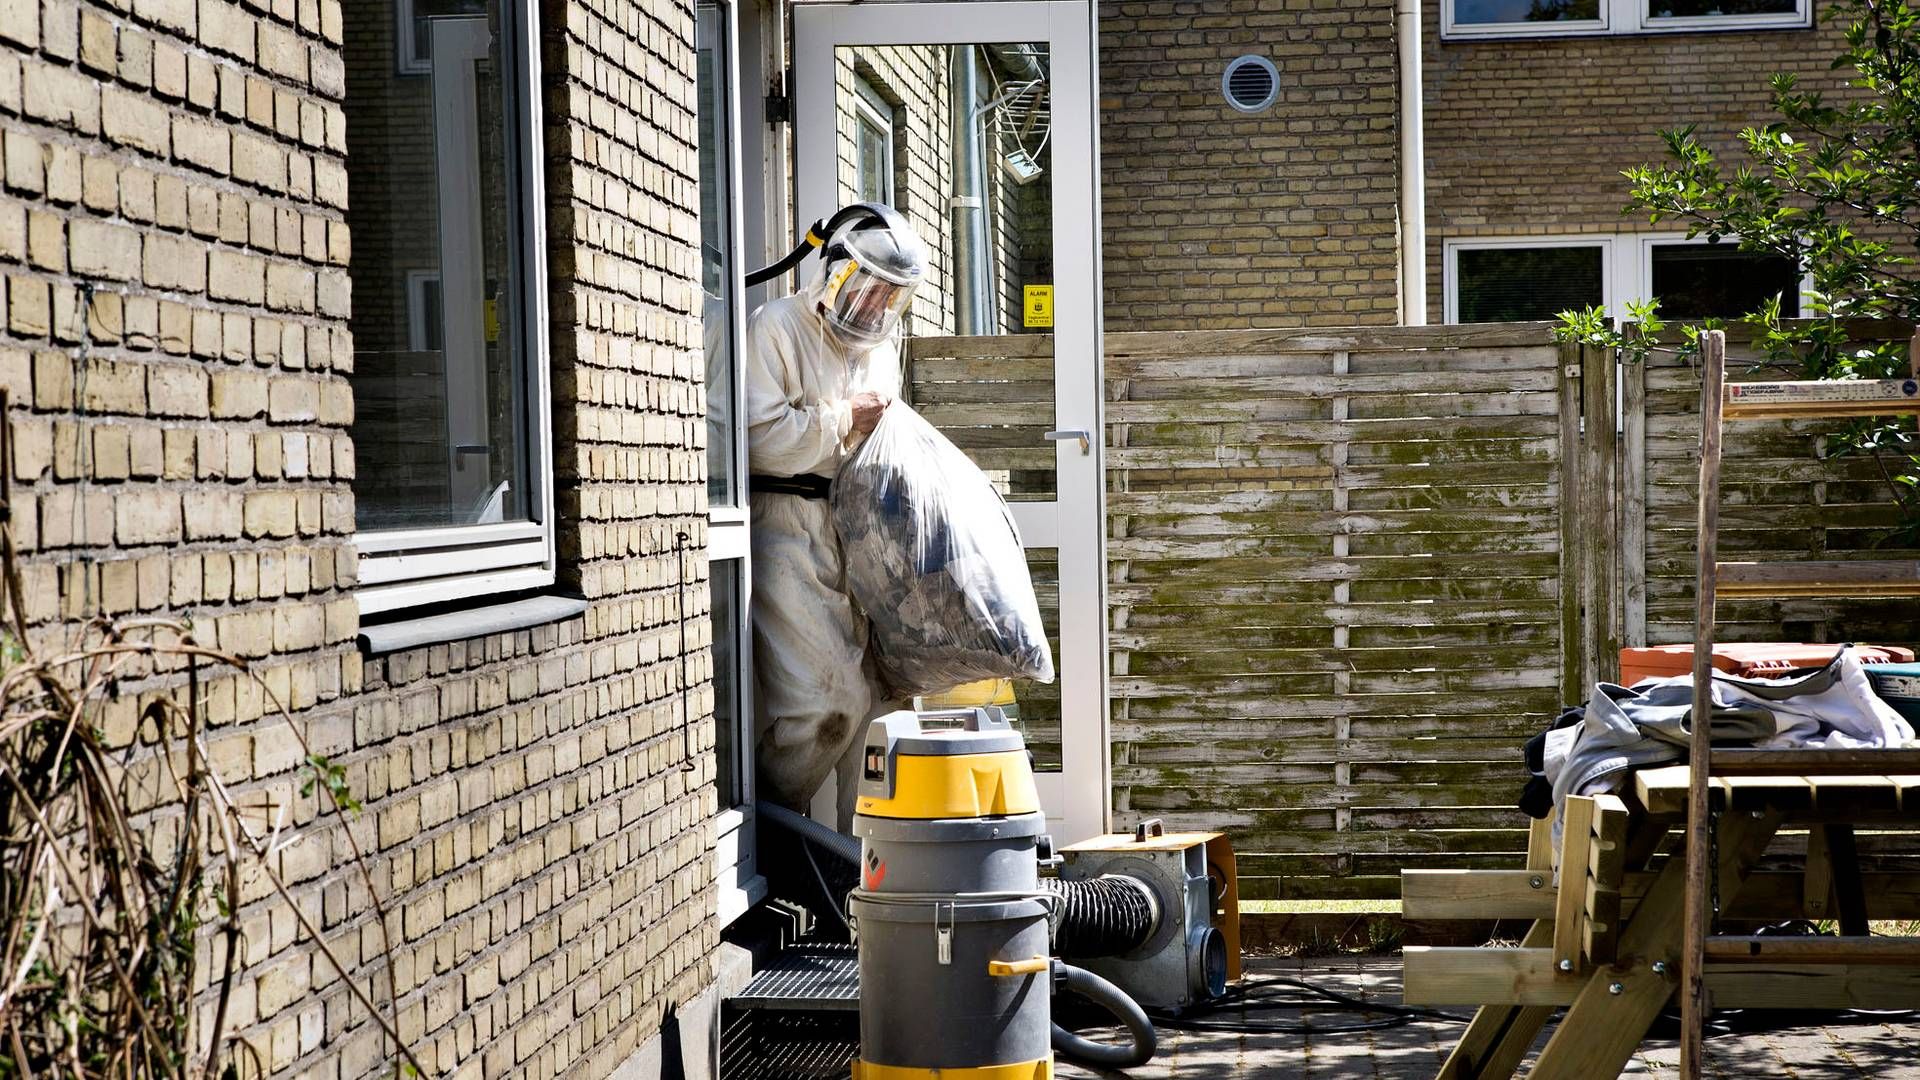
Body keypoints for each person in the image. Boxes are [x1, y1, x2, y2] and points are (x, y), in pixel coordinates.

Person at [745, 205, 928, 830]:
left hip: (858, 532)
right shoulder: (776, 328)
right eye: (867, 288)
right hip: (787, 524)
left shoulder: (879, 347)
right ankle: (765, 834)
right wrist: (844, 419)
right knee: (827, 703)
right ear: (835, 272)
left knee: (881, 704)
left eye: (890, 297)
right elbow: (758, 438)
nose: (876, 307)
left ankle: (862, 872)